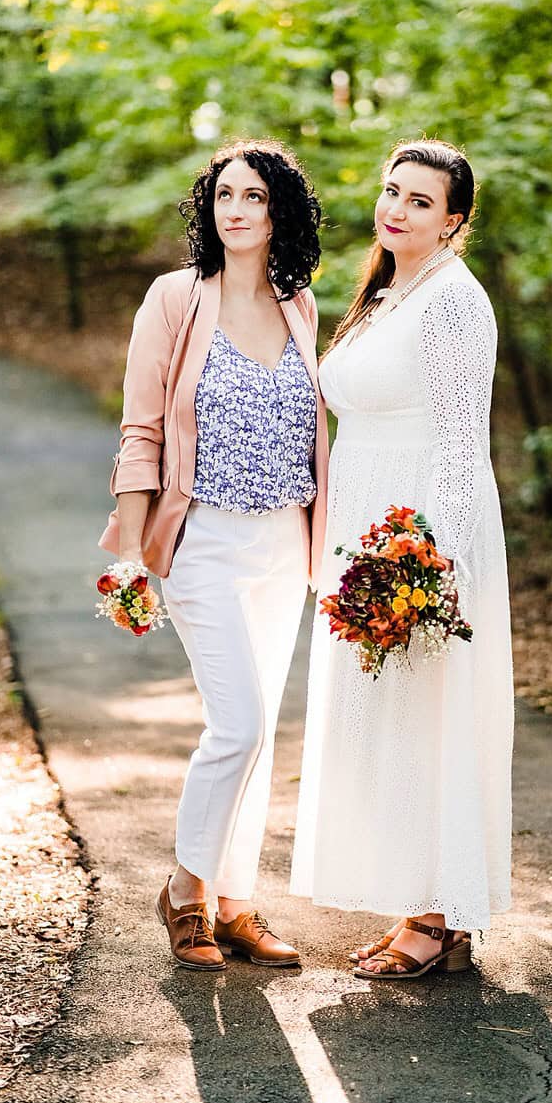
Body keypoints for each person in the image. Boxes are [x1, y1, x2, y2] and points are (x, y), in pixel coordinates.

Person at [101, 138, 327, 971]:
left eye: (255, 197)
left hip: (284, 541)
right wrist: (130, 551)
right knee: (235, 724)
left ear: (280, 213)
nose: (237, 209)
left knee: (260, 729)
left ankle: (237, 903)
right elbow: (142, 428)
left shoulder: (299, 303)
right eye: (224, 195)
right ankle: (186, 894)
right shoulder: (173, 299)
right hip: (201, 538)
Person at [290, 139, 514, 978]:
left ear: (454, 220)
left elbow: (462, 445)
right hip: (365, 531)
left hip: (416, 540)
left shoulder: (455, 301)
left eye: (421, 201)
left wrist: (434, 567)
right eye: (393, 192)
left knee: (425, 719)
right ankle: (415, 901)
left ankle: (438, 915)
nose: (398, 209)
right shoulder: (389, 295)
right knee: (383, 724)